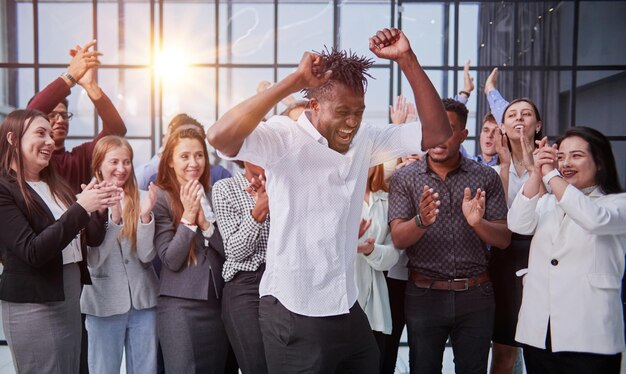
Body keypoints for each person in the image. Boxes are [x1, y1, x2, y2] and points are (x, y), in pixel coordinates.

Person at [207, 27, 452, 373]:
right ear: (314, 104)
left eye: (359, 111)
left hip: (345, 308)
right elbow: (219, 137)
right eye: (342, 112)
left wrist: (406, 60)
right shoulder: (283, 136)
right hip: (293, 309)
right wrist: (293, 81)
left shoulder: (365, 139)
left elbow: (438, 133)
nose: (351, 123)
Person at [388, 98, 511, 374]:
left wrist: (478, 223)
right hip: (423, 296)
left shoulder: (485, 177)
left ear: (463, 135)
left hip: (476, 296)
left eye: (448, 129)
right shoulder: (404, 179)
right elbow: (398, 238)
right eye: (432, 128)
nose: (439, 137)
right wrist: (420, 221)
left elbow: (503, 238)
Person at [0, 109, 119, 373]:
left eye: (51, 135)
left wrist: (97, 206)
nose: (51, 142)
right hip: (34, 303)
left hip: (69, 297)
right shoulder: (4, 189)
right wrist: (80, 209)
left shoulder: (55, 185)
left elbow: (92, 239)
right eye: (40, 133)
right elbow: (33, 251)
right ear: (12, 138)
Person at [508, 127, 625, 373]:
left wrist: (551, 174)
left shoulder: (618, 203)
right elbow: (518, 224)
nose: (566, 163)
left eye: (576, 156)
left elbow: (592, 218)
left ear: (600, 163)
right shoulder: (548, 201)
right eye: (560, 156)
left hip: (590, 333)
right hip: (540, 330)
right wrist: (535, 175)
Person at [80, 136, 159, 374]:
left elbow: (146, 256)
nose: (121, 168)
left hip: (143, 302)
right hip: (102, 304)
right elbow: (93, 262)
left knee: (145, 370)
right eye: (114, 161)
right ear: (98, 167)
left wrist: (145, 218)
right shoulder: (83, 203)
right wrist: (113, 221)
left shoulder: (144, 197)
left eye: (127, 162)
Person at [485, 68, 545, 374]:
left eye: (526, 114)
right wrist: (507, 165)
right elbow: (500, 217)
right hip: (506, 260)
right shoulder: (495, 172)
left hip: (546, 257)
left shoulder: (554, 162)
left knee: (545, 352)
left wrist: (539, 165)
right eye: (511, 115)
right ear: (502, 127)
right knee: (504, 353)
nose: (519, 119)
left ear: (538, 125)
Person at [153, 127, 228, 373]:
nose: (193, 163)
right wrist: (188, 217)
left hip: (217, 303)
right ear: (171, 162)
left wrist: (207, 225)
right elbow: (171, 259)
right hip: (180, 306)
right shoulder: (162, 198)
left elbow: (229, 251)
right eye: (184, 156)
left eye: (199, 155)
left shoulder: (215, 193)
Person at [27, 40, 127, 194]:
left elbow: (117, 130)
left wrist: (90, 85)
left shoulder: (80, 158)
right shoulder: (28, 158)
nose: (60, 120)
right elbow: (29, 115)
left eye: (64, 115)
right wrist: (70, 75)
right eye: (52, 115)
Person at [212, 161, 270, 374]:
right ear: (244, 153)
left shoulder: (285, 186)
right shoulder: (225, 188)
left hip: (283, 282)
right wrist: (258, 212)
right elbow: (235, 251)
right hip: (246, 285)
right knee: (258, 366)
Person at [356, 163, 401, 372]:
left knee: (378, 364)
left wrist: (370, 251)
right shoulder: (337, 197)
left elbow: (393, 254)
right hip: (345, 299)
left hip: (376, 304)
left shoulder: (387, 199)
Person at [135, 113, 231, 190]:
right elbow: (137, 184)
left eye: (195, 136)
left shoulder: (220, 175)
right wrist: (166, 148)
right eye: (183, 135)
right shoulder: (159, 181)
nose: (189, 139)